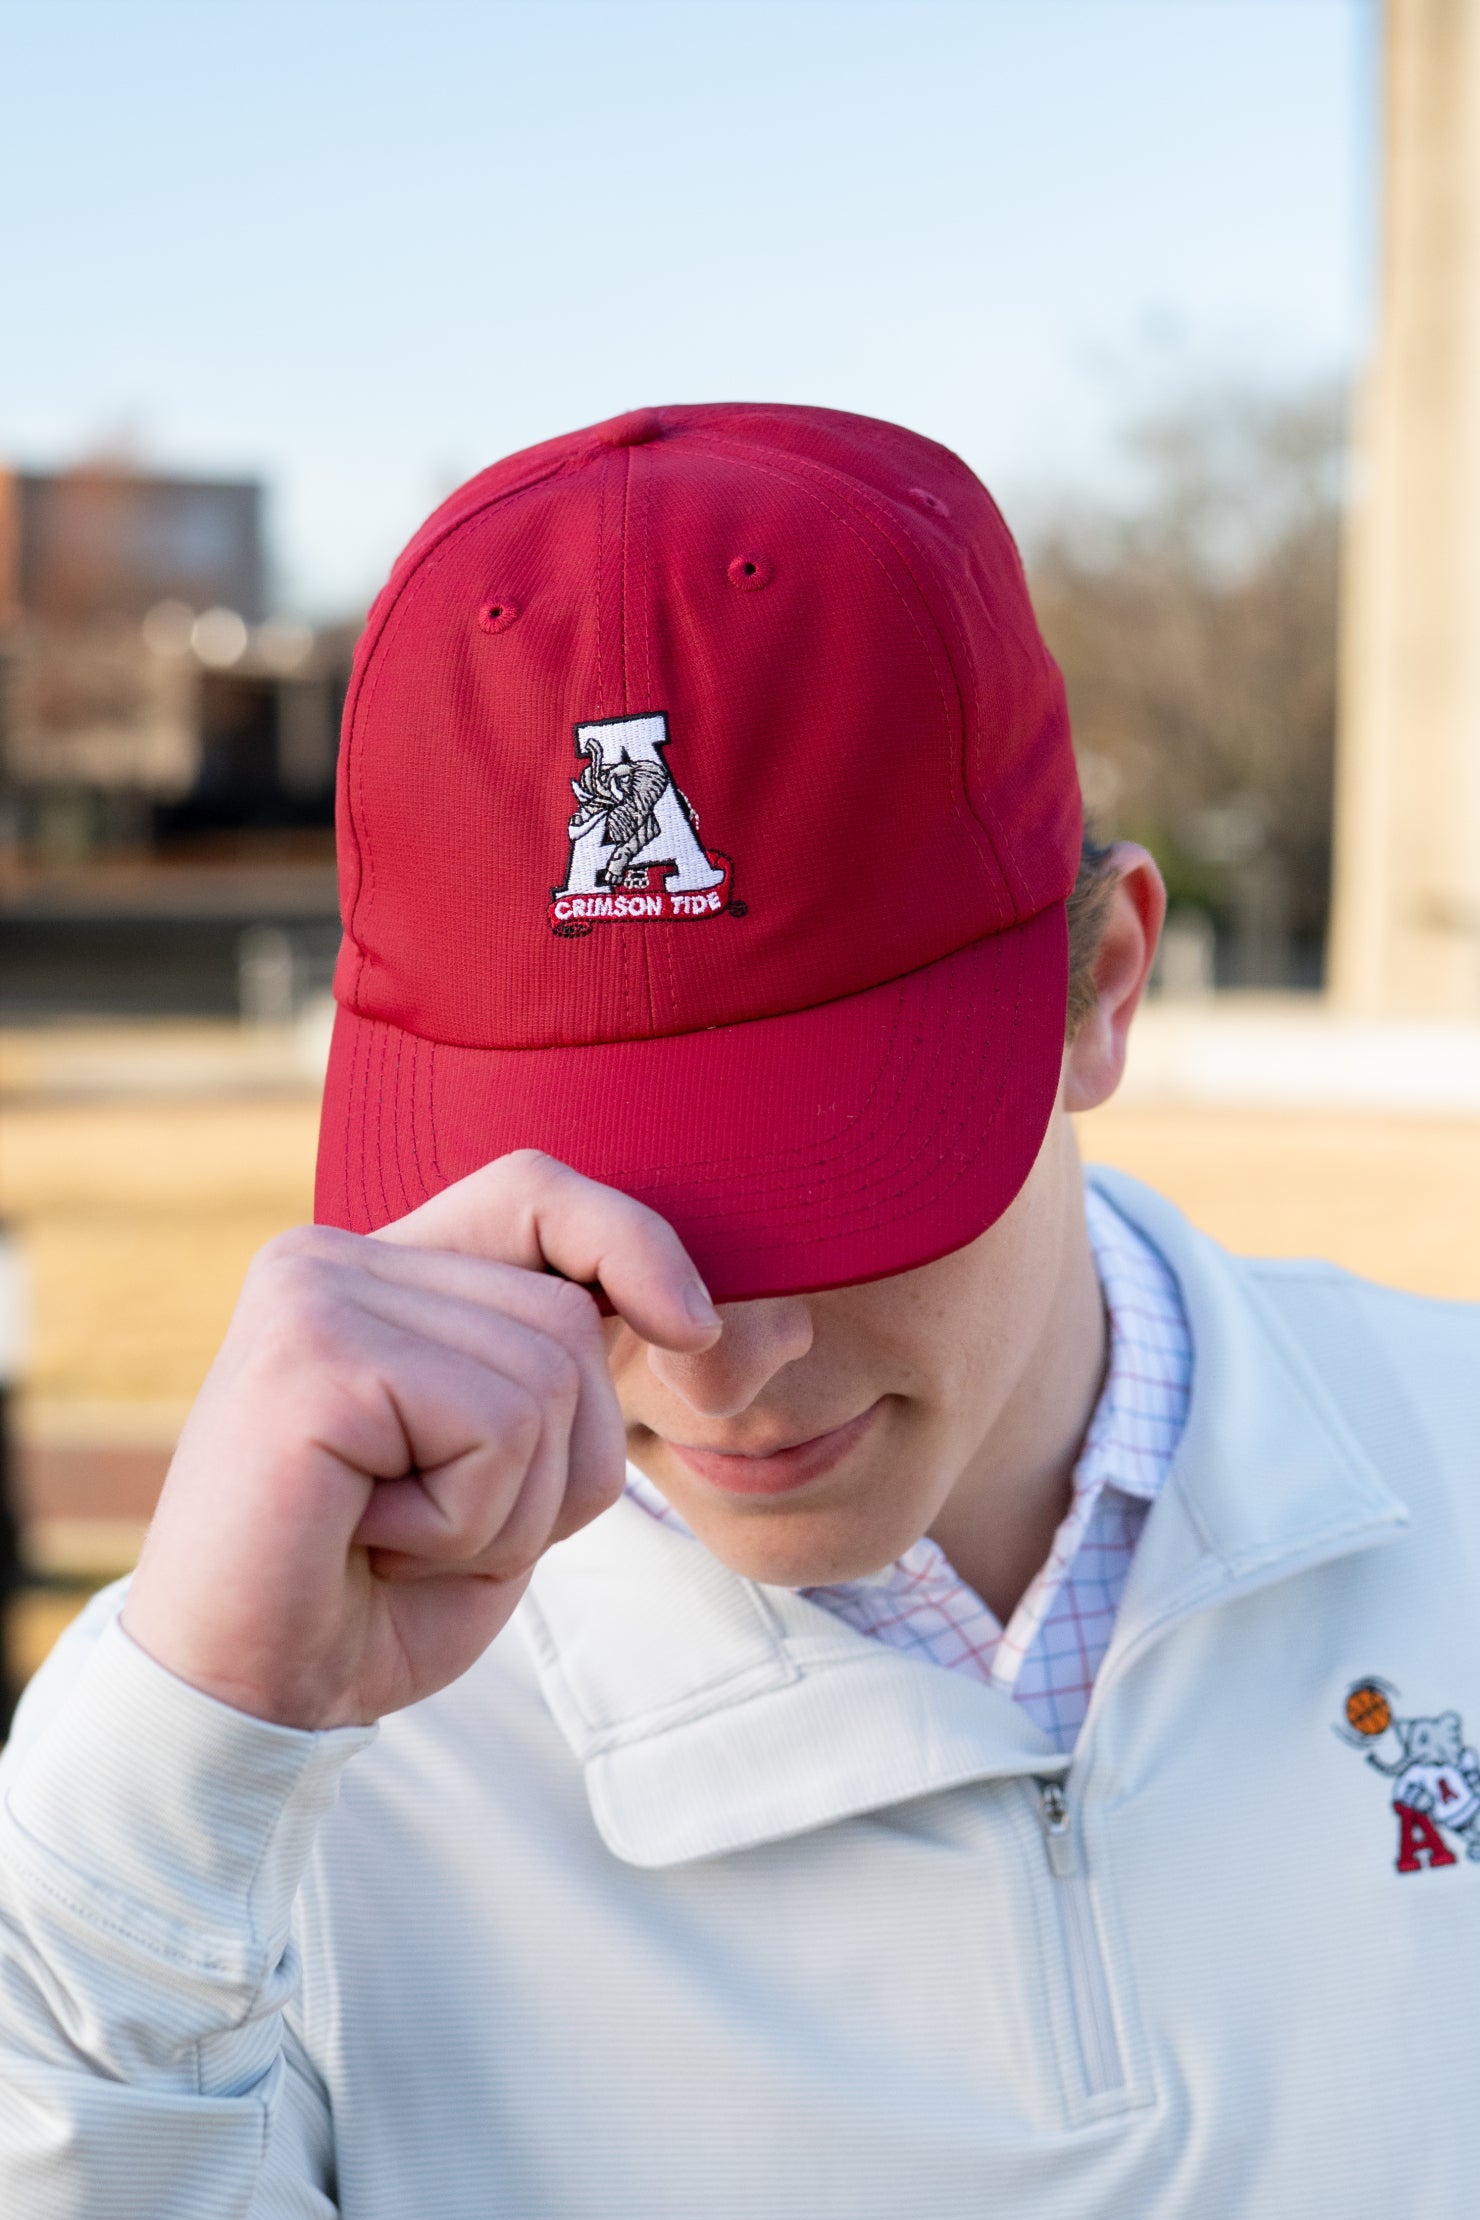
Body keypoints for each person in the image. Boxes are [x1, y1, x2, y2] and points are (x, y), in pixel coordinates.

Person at [0, 403, 1476, 2220]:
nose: (707, 1352)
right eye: (582, 1225)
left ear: (1099, 988)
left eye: (828, 1189)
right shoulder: (265, 1750)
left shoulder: (1461, 1457)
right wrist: (175, 1805)